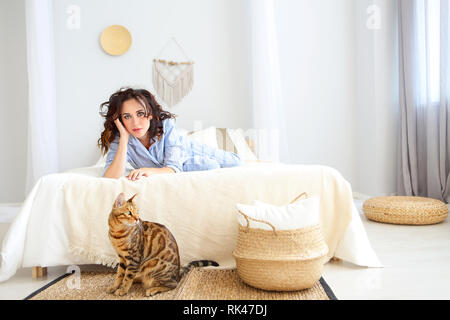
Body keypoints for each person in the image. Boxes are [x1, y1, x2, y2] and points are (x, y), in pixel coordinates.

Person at [98, 88, 243, 180]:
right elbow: (111, 176)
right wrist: (124, 137)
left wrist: (147, 170)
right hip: (177, 164)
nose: (135, 123)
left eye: (140, 114)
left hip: (186, 149)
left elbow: (172, 167)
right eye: (127, 116)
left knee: (234, 162)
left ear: (150, 114)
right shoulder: (121, 138)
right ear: (120, 120)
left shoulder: (166, 125)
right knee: (209, 165)